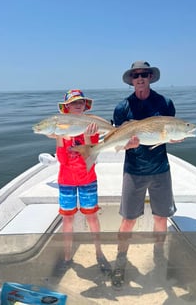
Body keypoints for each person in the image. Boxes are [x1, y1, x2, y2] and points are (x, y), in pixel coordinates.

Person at [111, 61, 178, 288]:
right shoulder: (122, 108)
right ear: (131, 80)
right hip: (134, 171)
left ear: (151, 77)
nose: (140, 78)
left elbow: (170, 132)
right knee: (128, 220)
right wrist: (126, 145)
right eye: (136, 75)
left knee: (161, 217)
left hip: (160, 169)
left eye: (144, 74)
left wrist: (176, 136)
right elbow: (117, 141)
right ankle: (121, 259)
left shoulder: (165, 103)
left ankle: (158, 256)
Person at [53, 89, 111, 275]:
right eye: (73, 103)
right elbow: (62, 159)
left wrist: (87, 136)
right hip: (66, 180)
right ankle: (67, 258)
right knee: (67, 219)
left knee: (92, 217)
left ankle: (99, 254)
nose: (78, 105)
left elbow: (90, 155)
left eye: (81, 102)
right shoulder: (61, 128)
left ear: (85, 106)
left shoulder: (92, 126)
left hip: (87, 178)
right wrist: (61, 136)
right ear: (66, 108)